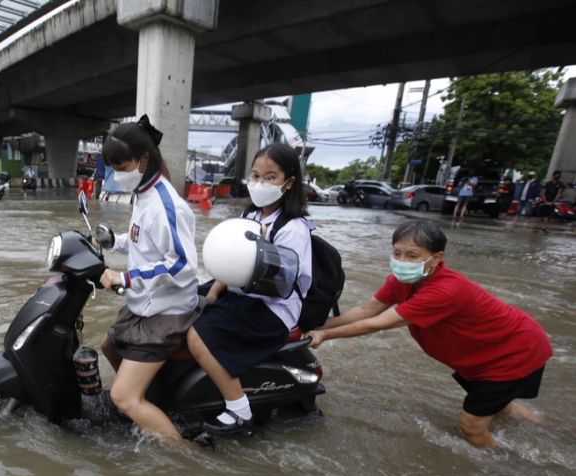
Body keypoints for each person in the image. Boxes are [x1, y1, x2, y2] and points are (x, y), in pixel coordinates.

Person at [305, 219, 552, 448]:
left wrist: (325, 336)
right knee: (500, 405)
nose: (402, 261)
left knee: (471, 425)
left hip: (513, 352)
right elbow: (366, 310)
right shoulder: (402, 280)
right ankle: (544, 427)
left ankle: (505, 467)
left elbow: (376, 323)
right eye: (397, 253)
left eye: (412, 255)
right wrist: (314, 325)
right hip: (485, 352)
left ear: (436, 258)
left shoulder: (444, 290)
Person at [187, 143, 313, 435]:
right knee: (185, 300)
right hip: (241, 291)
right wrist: (214, 291)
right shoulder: (252, 217)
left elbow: (285, 281)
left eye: (270, 177)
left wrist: (263, 254)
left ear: (289, 182)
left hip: (273, 306)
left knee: (198, 335)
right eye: (255, 176)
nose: (260, 183)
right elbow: (229, 263)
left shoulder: (294, 229)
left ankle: (239, 409)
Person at [98, 114, 202, 443]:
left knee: (122, 397)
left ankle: (183, 455)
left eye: (122, 166)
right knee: (108, 346)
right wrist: (113, 241)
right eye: (112, 167)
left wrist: (126, 277)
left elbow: (182, 264)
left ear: (144, 160)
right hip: (145, 302)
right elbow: (144, 240)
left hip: (166, 312)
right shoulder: (143, 194)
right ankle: (150, 404)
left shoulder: (166, 204)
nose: (117, 174)